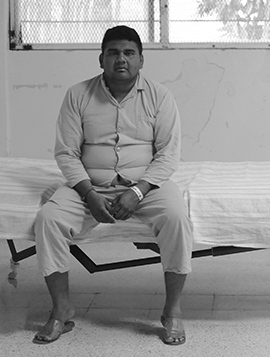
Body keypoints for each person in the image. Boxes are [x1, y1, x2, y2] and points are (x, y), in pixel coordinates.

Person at [33, 25, 193, 346]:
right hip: (88, 186)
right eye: (113, 52)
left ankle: (172, 310)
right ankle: (61, 309)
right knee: (48, 219)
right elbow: (66, 153)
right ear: (101, 59)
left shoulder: (160, 96)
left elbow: (168, 154)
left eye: (129, 53)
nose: (122, 59)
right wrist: (89, 194)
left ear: (141, 60)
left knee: (177, 218)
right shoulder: (78, 95)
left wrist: (138, 191)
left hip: (147, 187)